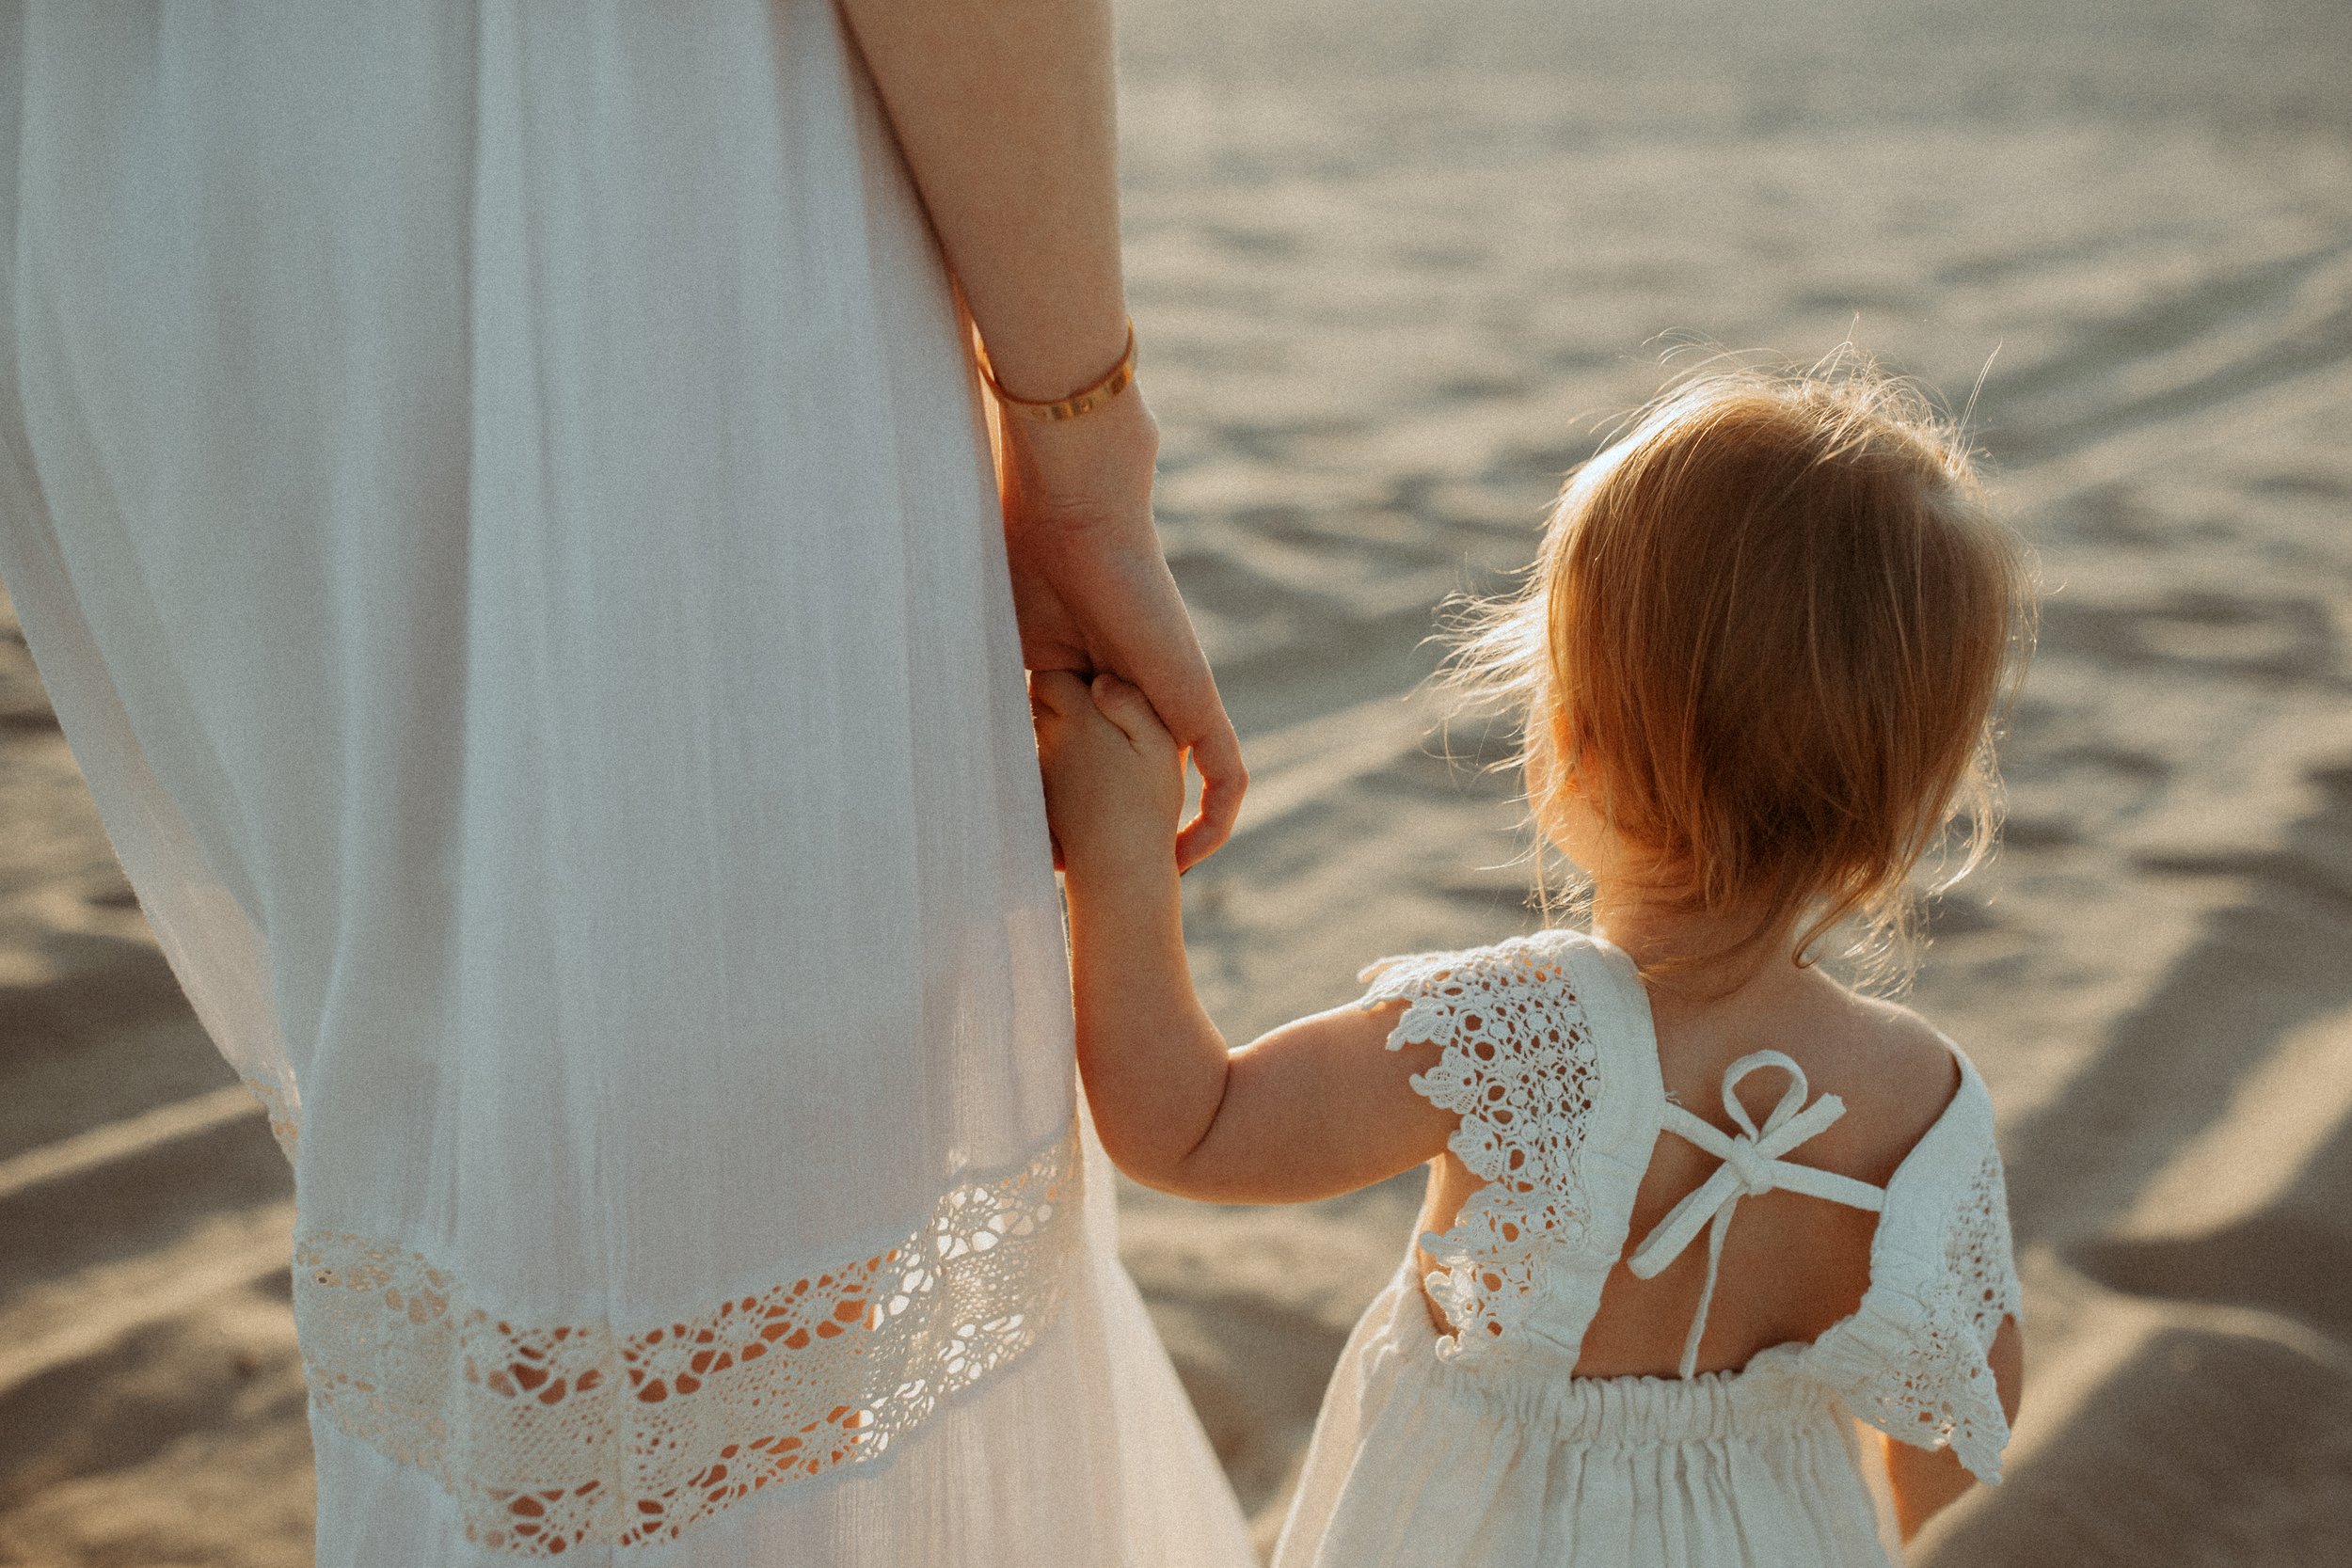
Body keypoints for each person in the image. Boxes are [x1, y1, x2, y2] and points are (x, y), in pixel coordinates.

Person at [0, 3, 1252, 1564]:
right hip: (621, 192)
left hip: (177, 202)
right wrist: (1079, 437)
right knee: (733, 1231)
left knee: (499, 1198)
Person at [1034, 360, 2034, 1567]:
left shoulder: (1524, 1028)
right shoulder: (1920, 1099)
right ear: (1912, 799)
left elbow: (1189, 1128)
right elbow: (1962, 1404)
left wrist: (1117, 852)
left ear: (1569, 737)